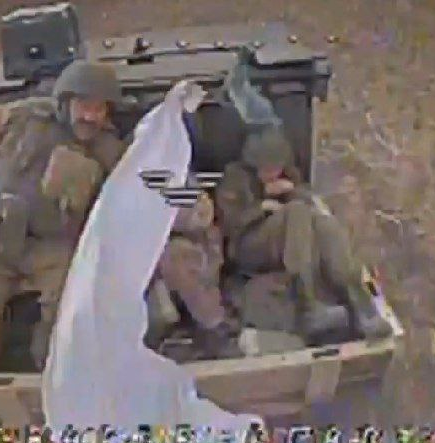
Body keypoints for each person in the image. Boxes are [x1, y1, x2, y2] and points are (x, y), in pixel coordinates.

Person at [0, 59, 127, 370]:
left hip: (54, 249)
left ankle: (49, 370)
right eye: (84, 106)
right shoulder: (18, 117)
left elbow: (131, 186)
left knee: (67, 311)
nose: (90, 116)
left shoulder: (106, 148)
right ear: (66, 101)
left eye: (99, 109)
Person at [214, 127, 393, 341]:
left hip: (287, 240)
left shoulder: (287, 175)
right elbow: (229, 224)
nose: (273, 173)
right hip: (247, 245)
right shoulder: (234, 178)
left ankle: (359, 304)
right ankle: (307, 305)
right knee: (297, 211)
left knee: (323, 224)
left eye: (277, 167)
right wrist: (262, 204)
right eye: (267, 169)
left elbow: (311, 200)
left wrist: (291, 190)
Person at [151, 190, 238, 358]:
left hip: (197, 239)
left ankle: (213, 328)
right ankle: (211, 326)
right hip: (148, 252)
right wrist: (191, 214)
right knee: (182, 255)